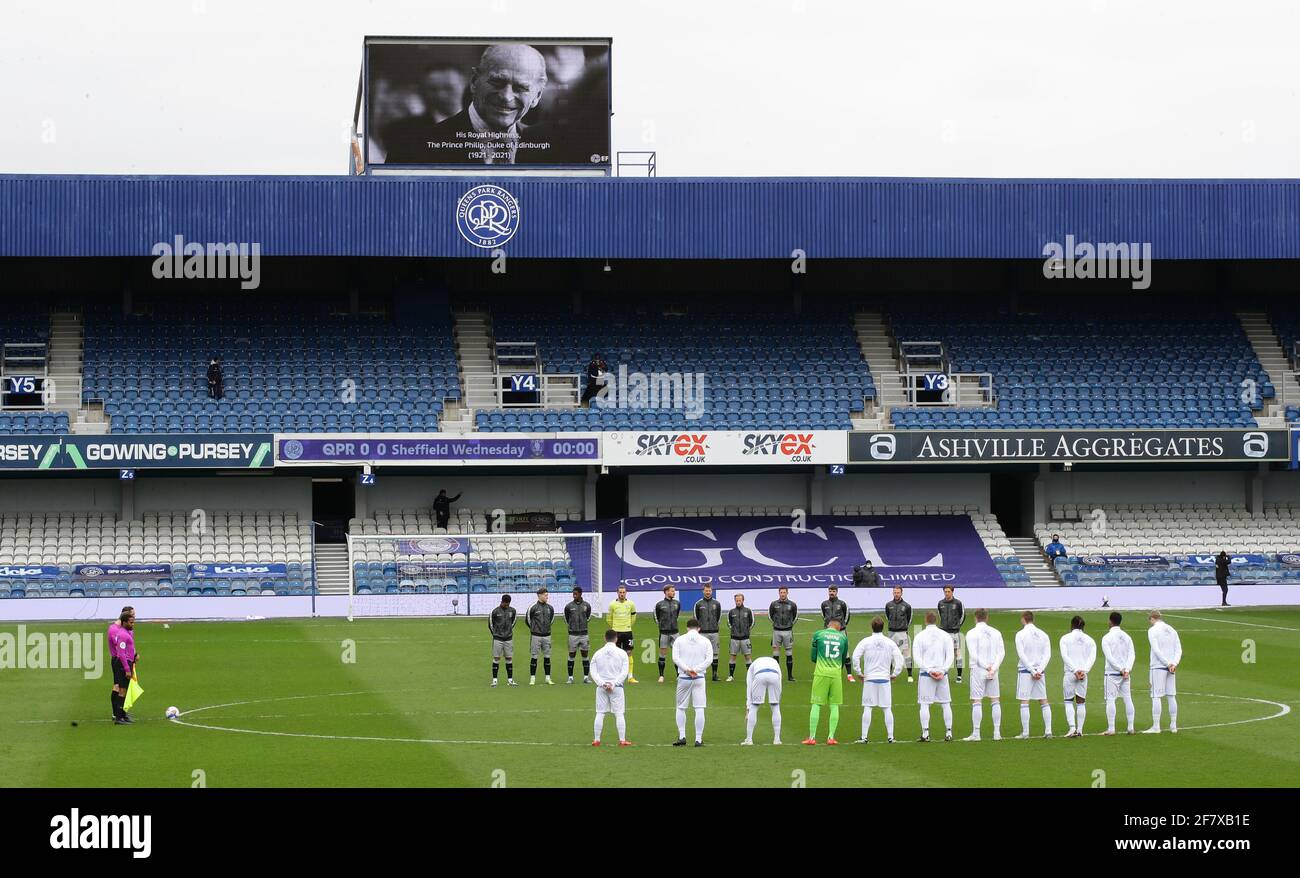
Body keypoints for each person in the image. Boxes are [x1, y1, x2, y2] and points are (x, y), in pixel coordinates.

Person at [381, 43, 550, 165]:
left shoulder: (550, 149)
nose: (506, 97)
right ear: (474, 81)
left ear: (537, 96)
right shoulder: (412, 149)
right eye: (497, 82)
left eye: (521, 88)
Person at [851, 616, 905, 743]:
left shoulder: (865, 641)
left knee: (868, 707)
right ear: (883, 627)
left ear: (872, 627)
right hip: (884, 679)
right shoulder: (889, 642)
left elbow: (855, 657)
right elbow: (900, 659)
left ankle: (864, 737)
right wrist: (895, 673)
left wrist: (859, 672)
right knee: (887, 708)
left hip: (870, 679)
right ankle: (890, 737)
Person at [803, 617, 849, 745]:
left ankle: (812, 737)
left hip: (821, 673)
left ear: (828, 625)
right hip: (836, 675)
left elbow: (813, 657)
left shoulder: (819, 634)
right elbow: (844, 658)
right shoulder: (843, 637)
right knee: (834, 705)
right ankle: (831, 737)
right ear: (838, 627)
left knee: (816, 704)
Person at [963, 608, 1005, 741]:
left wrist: (986, 666)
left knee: (977, 700)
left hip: (978, 669)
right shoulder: (996, 632)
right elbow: (1001, 653)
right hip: (993, 669)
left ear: (975, 618)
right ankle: (997, 733)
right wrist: (993, 668)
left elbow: (973, 654)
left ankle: (976, 733)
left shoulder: (971, 633)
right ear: (987, 618)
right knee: (995, 699)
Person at [913, 612, 955, 742]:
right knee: (946, 703)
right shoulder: (945, 635)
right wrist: (943, 670)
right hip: (942, 674)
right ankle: (949, 732)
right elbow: (950, 656)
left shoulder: (919, 636)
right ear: (936, 620)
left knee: (924, 704)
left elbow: (917, 657)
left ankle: (925, 733)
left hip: (926, 675)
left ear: (925, 620)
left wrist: (929, 670)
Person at [672, 618, 713, 747]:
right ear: (699, 628)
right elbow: (709, 660)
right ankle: (698, 739)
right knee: (699, 708)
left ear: (687, 628)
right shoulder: (705, 641)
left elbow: (675, 658)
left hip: (684, 677)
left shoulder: (679, 640)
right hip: (699, 678)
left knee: (681, 707)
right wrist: (696, 670)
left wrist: (687, 669)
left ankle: (682, 736)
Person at [1014, 611, 1053, 738]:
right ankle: (1048, 731)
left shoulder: (1020, 634)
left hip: (1026, 671)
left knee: (1024, 701)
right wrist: (1039, 670)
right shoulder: (1044, 634)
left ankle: (1025, 732)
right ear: (1033, 619)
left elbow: (1021, 654)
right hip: (1040, 672)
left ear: (1023, 619)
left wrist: (1032, 670)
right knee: (1043, 700)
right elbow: (1047, 655)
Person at [590, 629, 631, 747]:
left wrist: (602, 683)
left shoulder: (597, 653)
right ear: (616, 639)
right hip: (617, 688)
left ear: (604, 638)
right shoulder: (622, 653)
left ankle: (596, 740)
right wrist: (613, 684)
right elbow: (624, 672)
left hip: (601, 688)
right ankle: (622, 740)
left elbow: (593, 671)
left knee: (600, 713)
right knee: (619, 714)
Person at [1145, 610, 1182, 734]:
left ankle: (1156, 726)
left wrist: (1167, 663)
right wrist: (1174, 663)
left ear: (1152, 618)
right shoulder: (1172, 630)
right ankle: (1173, 726)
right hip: (1171, 667)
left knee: (1156, 696)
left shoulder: (1152, 630)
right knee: (1171, 695)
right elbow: (1179, 649)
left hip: (1158, 666)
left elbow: (1156, 650)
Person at [1059, 615, 1097, 737]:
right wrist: (1084, 670)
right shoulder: (1090, 640)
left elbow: (1065, 656)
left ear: (1071, 625)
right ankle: (1080, 730)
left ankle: (1072, 728)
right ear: (1083, 627)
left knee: (1068, 701)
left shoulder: (1065, 638)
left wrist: (1075, 670)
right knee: (1081, 702)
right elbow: (1092, 657)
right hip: (1083, 674)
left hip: (1070, 673)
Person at [1101, 611, 1137, 735]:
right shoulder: (1127, 637)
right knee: (1128, 699)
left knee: (1110, 700)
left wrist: (1120, 669)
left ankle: (1111, 728)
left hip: (1112, 673)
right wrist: (1127, 669)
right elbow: (1132, 654)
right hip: (1125, 674)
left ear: (1110, 621)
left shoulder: (1106, 638)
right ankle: (1131, 727)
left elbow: (1109, 657)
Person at [742, 654, 783, 746]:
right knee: (775, 706)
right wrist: (778, 698)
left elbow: (749, 687)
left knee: (754, 706)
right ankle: (777, 739)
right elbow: (780, 678)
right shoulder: (775, 662)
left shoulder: (752, 666)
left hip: (760, 675)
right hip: (775, 675)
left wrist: (748, 708)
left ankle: (749, 739)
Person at [108, 606, 137, 724]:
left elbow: (129, 647)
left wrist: (135, 655)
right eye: (132, 619)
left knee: (123, 689)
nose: (133, 622)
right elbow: (121, 652)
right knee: (120, 689)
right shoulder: (119, 632)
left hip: (126, 662)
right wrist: (127, 668)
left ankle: (122, 714)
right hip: (121, 663)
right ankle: (118, 716)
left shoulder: (127, 631)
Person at [820, 586, 853, 680]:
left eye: (833, 591)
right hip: (828, 631)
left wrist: (842, 625)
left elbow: (847, 615)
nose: (832, 593)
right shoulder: (824, 604)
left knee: (845, 651)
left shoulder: (842, 603)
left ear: (837, 592)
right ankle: (830, 672)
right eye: (830, 591)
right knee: (829, 651)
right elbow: (823, 615)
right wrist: (828, 625)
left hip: (841, 631)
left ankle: (849, 675)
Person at [607, 584, 638, 683]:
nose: (622, 594)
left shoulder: (631, 604)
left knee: (629, 652)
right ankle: (615, 675)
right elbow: (609, 619)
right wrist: (614, 627)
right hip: (616, 632)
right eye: (620, 592)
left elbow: (633, 617)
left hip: (627, 632)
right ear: (617, 593)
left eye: (623, 592)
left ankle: (630, 677)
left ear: (626, 593)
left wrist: (628, 626)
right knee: (615, 653)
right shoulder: (612, 604)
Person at [692, 582, 723, 681]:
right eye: (706, 591)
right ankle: (700, 673)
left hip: (714, 632)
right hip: (702, 633)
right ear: (703, 591)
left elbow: (719, 617)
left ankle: (714, 674)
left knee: (715, 653)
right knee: (701, 653)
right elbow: (696, 618)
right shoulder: (698, 604)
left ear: (712, 591)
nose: (708, 592)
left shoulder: (717, 603)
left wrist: (714, 626)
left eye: (709, 591)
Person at [883, 585, 914, 683]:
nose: (896, 594)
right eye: (895, 592)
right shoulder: (888, 605)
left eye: (898, 593)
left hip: (902, 632)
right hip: (891, 633)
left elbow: (909, 619)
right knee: (890, 654)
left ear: (901, 593)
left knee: (906, 654)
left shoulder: (907, 606)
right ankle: (889, 674)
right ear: (893, 593)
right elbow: (888, 616)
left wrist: (904, 628)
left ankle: (910, 675)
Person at [768, 586, 799, 682]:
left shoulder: (792, 604)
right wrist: (776, 624)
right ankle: (776, 676)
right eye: (781, 592)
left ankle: (790, 676)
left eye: (784, 592)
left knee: (789, 653)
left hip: (788, 631)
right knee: (775, 653)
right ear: (779, 593)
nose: (782, 594)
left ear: (787, 593)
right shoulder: (774, 604)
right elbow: (770, 616)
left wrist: (789, 624)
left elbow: (795, 616)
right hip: (776, 631)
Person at [563, 586, 592, 684]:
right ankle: (570, 677)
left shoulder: (587, 605)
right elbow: (566, 618)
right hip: (573, 635)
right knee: (572, 654)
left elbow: (588, 617)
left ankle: (586, 677)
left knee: (585, 654)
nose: (574, 595)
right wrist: (572, 626)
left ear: (580, 594)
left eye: (576, 593)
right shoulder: (568, 606)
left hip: (584, 634)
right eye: (573, 593)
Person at [525, 588, 555, 685]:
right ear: (539, 595)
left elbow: (551, 620)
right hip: (536, 636)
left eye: (547, 595)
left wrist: (546, 628)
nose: (547, 597)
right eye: (545, 595)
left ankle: (548, 678)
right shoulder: (533, 607)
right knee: (534, 657)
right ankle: (532, 678)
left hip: (547, 636)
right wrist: (535, 629)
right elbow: (527, 620)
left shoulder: (550, 608)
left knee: (547, 657)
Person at [937, 586, 965, 683]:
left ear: (952, 592)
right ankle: (944, 673)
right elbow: (940, 615)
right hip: (943, 633)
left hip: (954, 632)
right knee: (943, 653)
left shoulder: (958, 603)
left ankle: (959, 675)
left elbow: (962, 616)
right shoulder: (940, 603)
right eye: (945, 591)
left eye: (948, 591)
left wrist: (957, 626)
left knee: (957, 653)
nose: (947, 593)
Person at [653, 585, 681, 683]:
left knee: (677, 654)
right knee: (662, 654)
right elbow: (656, 617)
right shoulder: (659, 604)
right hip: (664, 633)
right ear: (666, 592)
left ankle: (679, 675)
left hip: (675, 633)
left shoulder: (677, 603)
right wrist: (662, 626)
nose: (674, 592)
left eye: (674, 591)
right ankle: (661, 676)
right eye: (672, 591)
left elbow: (677, 615)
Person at [488, 595, 517, 687]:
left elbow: (513, 622)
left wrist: (508, 631)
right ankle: (495, 680)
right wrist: (496, 634)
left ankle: (510, 680)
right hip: (498, 638)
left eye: (508, 604)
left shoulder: (512, 611)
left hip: (508, 638)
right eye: (505, 604)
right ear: (502, 602)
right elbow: (490, 624)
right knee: (496, 658)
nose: (507, 605)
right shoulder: (495, 611)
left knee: (509, 658)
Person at [726, 593, 754, 681]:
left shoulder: (748, 611)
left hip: (745, 638)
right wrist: (734, 630)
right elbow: (729, 623)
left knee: (748, 657)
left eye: (740, 600)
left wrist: (746, 630)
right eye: (737, 600)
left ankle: (750, 676)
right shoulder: (731, 612)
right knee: (733, 657)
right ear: (735, 601)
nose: (738, 602)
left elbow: (752, 622)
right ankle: (731, 676)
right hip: (734, 638)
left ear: (743, 600)